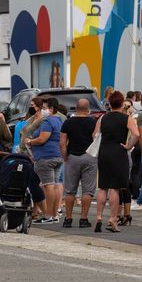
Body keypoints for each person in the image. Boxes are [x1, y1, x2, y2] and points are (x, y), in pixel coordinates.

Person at [93, 91, 139, 233]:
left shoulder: (102, 118)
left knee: (103, 187)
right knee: (115, 188)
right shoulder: (126, 119)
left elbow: (94, 135)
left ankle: (99, 217)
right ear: (121, 103)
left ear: (110, 104)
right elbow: (136, 134)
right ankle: (113, 219)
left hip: (104, 151)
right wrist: (129, 146)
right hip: (119, 152)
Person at [60, 98, 97, 228]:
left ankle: (68, 219)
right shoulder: (93, 122)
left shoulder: (68, 123)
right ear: (88, 109)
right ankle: (83, 219)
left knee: (70, 191)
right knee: (88, 191)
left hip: (73, 157)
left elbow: (62, 143)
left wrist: (65, 157)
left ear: (76, 108)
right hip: (89, 156)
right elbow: (96, 139)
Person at [25, 97, 64, 223]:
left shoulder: (48, 122)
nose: (43, 110)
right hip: (57, 155)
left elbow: (42, 139)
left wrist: (30, 141)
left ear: (51, 109)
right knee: (55, 185)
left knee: (48, 186)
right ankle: (54, 214)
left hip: (46, 157)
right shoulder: (59, 120)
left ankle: (49, 215)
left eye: (45, 108)